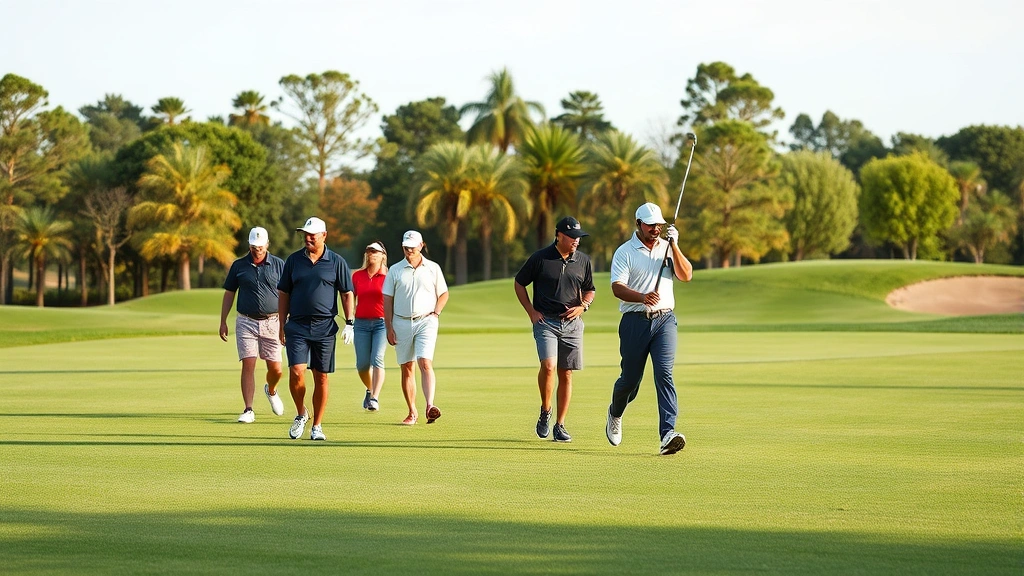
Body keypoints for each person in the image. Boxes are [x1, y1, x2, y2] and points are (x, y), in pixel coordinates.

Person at [605, 202, 693, 455]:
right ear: (638, 224)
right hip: (635, 321)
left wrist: (675, 245)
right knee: (630, 381)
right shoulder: (625, 252)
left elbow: (686, 275)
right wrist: (642, 296)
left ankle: (668, 434)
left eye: (659, 225)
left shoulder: (668, 248)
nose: (656, 229)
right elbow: (616, 288)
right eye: (651, 225)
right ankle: (615, 411)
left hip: (665, 320)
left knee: (664, 373)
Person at [514, 216, 596, 443]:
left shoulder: (583, 261)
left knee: (566, 373)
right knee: (549, 366)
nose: (576, 241)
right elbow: (519, 282)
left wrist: (583, 306)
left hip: (572, 325)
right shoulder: (540, 258)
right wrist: (531, 311)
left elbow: (590, 289)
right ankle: (545, 411)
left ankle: (560, 425)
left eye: (579, 238)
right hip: (545, 322)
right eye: (572, 237)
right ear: (559, 235)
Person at [277, 216, 355, 441]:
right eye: (305, 234)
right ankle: (301, 413)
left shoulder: (337, 261)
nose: (308, 238)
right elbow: (284, 293)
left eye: (312, 234)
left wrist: (349, 323)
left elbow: (346, 293)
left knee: (321, 377)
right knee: (296, 372)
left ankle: (317, 426)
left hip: (325, 327)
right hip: (298, 325)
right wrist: (282, 324)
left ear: (324, 236)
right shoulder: (293, 261)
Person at [219, 226, 286, 423]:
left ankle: (271, 390)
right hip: (246, 321)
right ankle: (248, 409)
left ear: (267, 244)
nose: (257, 249)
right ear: (249, 245)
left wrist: (286, 322)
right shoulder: (239, 266)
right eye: (254, 246)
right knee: (248, 363)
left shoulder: (279, 265)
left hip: (273, 321)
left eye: (260, 246)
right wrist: (223, 321)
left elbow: (286, 294)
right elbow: (229, 292)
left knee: (276, 369)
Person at [382, 230, 449, 426]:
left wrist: (436, 312)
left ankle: (430, 406)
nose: (409, 249)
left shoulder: (433, 268)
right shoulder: (395, 270)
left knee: (424, 362)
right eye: (406, 246)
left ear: (421, 246)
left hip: (426, 320)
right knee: (407, 367)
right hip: (401, 322)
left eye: (412, 246)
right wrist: (389, 327)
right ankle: (412, 411)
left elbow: (443, 294)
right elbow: (387, 300)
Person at [352, 240, 389, 412]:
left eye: (375, 251)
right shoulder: (357, 276)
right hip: (360, 324)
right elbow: (350, 298)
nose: (371, 254)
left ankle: (374, 397)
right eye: (369, 251)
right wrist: (349, 322)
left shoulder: (388, 277)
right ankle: (369, 389)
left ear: (383, 255)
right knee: (362, 365)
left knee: (377, 359)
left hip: (381, 323)